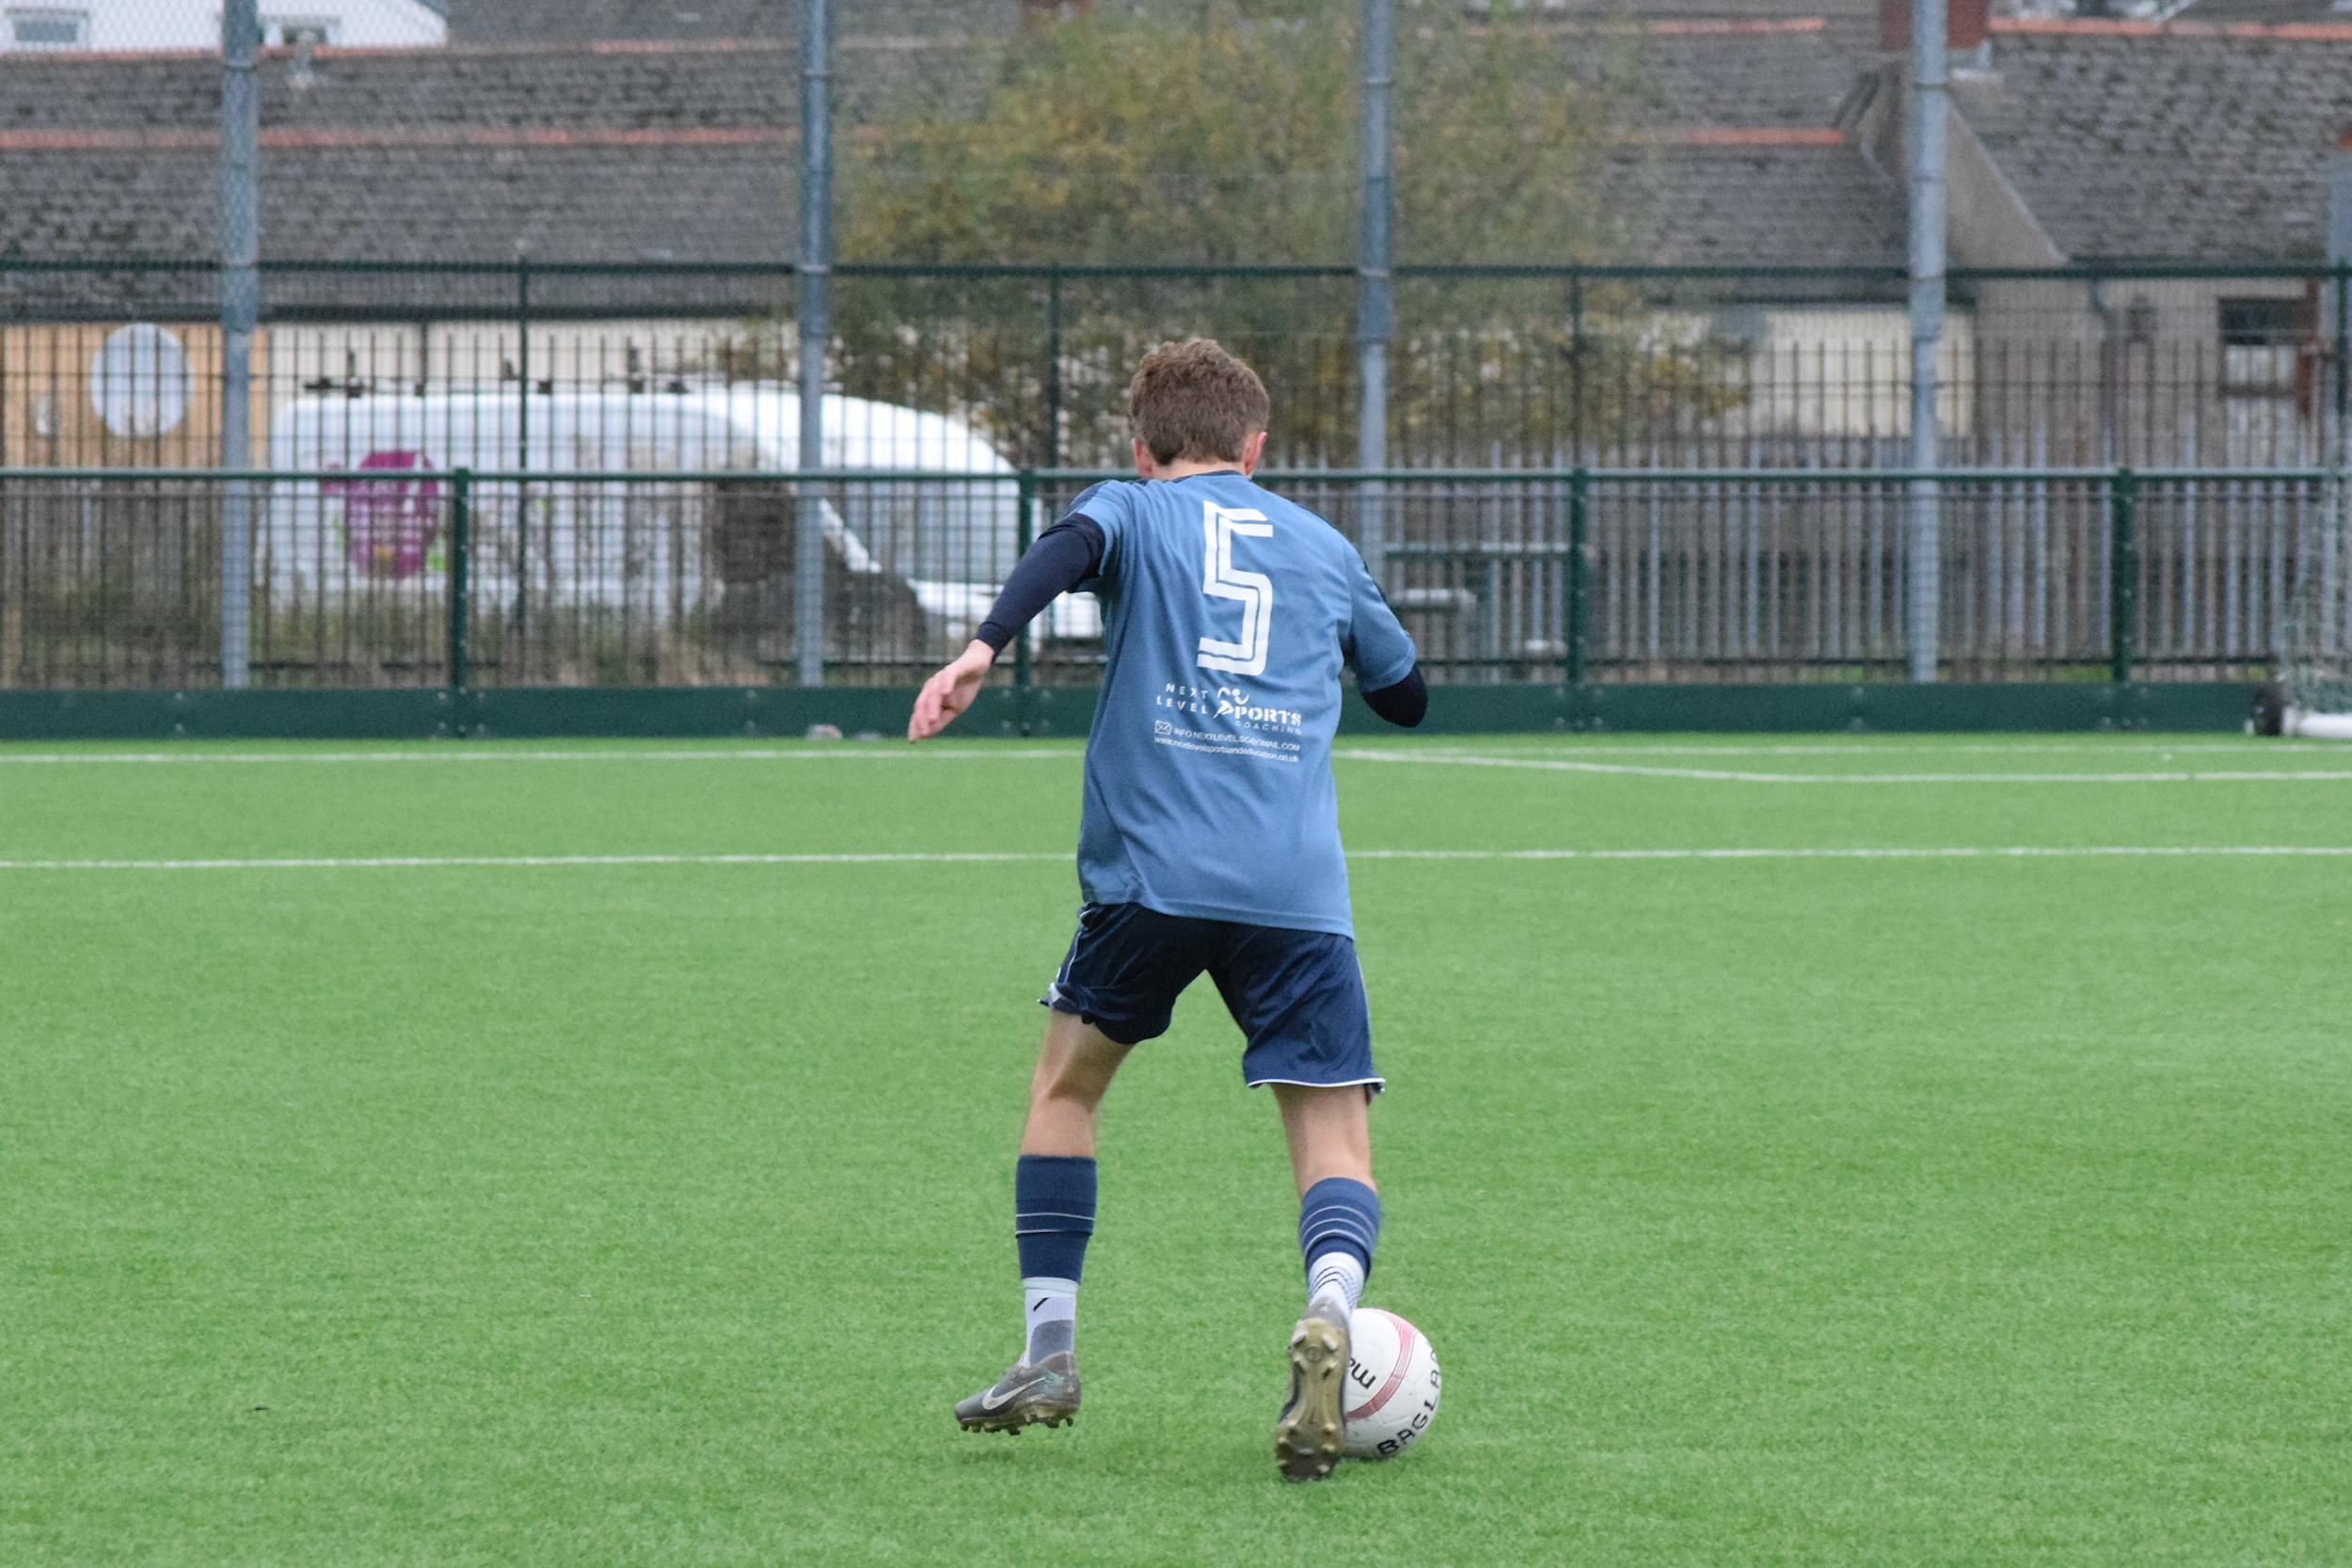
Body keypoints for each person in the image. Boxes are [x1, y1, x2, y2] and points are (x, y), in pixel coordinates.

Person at [907, 338, 1428, 1482]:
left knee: (1065, 1087)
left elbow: (1067, 547)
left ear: (1142, 450)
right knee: (1332, 1131)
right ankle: (1333, 1304)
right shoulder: (1326, 546)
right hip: (1297, 897)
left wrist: (982, 646)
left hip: (1152, 883)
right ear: (1256, 447)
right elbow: (1406, 697)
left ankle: (1050, 1348)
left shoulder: (1130, 512)